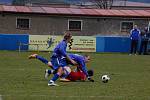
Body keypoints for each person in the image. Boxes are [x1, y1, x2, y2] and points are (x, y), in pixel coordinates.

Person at [28, 54, 94, 82]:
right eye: (88, 59)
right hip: (63, 60)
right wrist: (88, 76)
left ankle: (37, 57)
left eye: (89, 59)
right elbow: (83, 69)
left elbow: (81, 68)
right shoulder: (81, 60)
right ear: (84, 57)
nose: (89, 61)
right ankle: (52, 78)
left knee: (50, 64)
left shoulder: (80, 59)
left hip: (65, 61)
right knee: (58, 69)